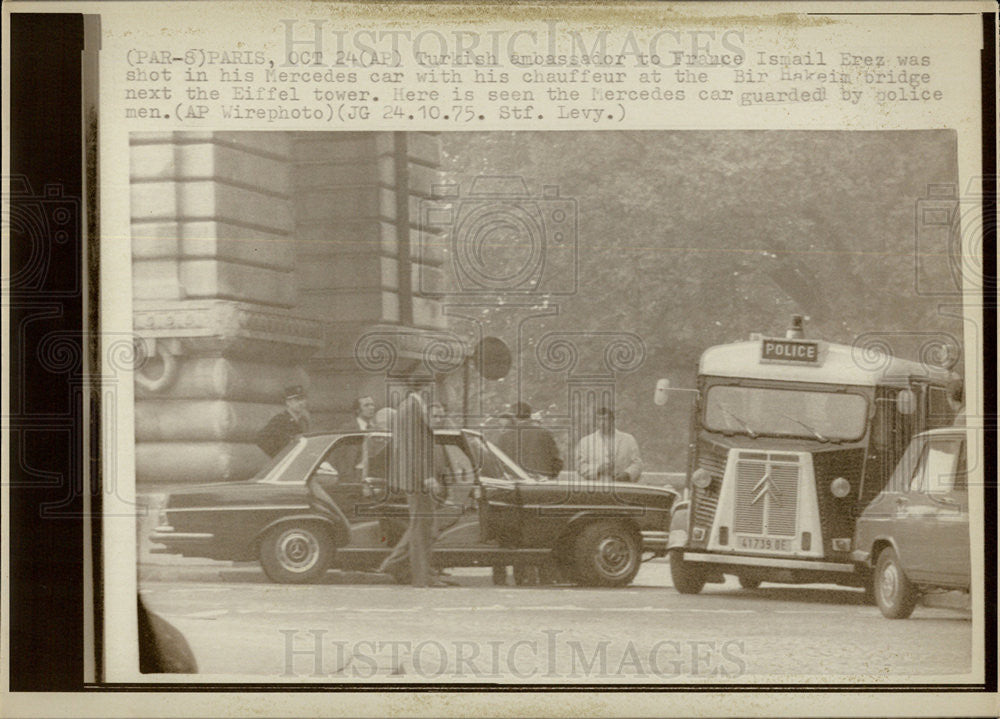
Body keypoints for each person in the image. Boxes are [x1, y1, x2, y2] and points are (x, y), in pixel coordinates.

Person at [377, 391, 450, 587]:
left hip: (414, 478)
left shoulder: (410, 407)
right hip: (417, 480)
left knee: (419, 526)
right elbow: (415, 447)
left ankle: (395, 565)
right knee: (422, 529)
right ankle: (421, 577)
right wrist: (426, 475)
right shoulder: (412, 408)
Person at [575, 406, 642, 482]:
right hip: (596, 487)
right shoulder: (586, 442)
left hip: (622, 487)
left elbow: (637, 463)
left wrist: (627, 474)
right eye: (598, 419)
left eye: (605, 419)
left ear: (612, 420)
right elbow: (580, 466)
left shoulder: (628, 439)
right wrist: (598, 469)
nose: (602, 423)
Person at [497, 402, 563, 479]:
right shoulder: (545, 433)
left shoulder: (505, 436)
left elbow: (499, 463)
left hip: (515, 484)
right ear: (529, 414)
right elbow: (557, 460)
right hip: (542, 484)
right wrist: (549, 477)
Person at [255, 385, 310, 457]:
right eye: (296, 400)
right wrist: (278, 456)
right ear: (288, 402)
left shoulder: (303, 421)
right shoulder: (280, 420)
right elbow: (260, 439)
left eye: (302, 399)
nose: (301, 403)